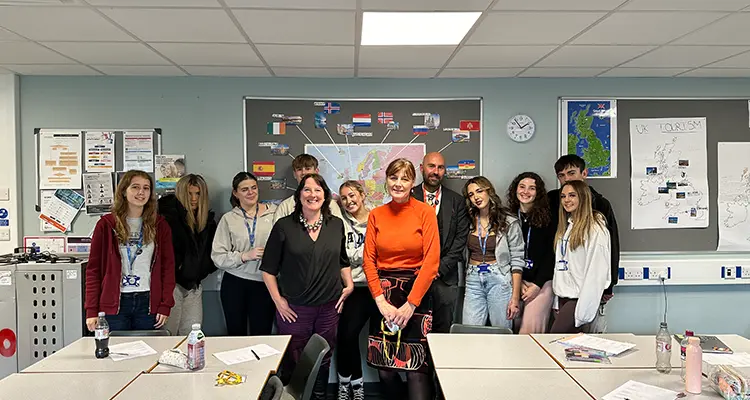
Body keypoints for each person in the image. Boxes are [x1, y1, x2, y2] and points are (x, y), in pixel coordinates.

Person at [260, 174, 354, 400]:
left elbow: (342, 260)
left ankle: (319, 396)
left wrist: (349, 284)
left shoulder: (336, 225)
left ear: (325, 195)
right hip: (295, 309)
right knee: (294, 359)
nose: (313, 195)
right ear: (299, 195)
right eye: (307, 190)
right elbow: (268, 269)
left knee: (323, 358)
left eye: (318, 190)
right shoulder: (284, 226)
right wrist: (278, 301)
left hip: (329, 308)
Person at [363, 159, 439, 400]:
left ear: (412, 183)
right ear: (386, 180)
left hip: (416, 292)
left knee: (417, 369)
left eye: (404, 178)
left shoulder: (425, 212)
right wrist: (381, 302)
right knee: (385, 368)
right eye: (394, 178)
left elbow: (431, 261)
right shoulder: (376, 215)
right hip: (383, 295)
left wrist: (411, 304)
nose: (398, 183)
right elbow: (368, 262)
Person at [85, 170, 175, 332]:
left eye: (146, 188)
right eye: (135, 187)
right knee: (116, 352)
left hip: (148, 301)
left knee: (148, 351)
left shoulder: (160, 226)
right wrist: (91, 310)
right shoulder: (106, 225)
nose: (141, 192)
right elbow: (94, 270)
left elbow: (168, 269)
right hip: (114, 303)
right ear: (123, 192)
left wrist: (165, 304)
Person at [548, 155, 620, 332]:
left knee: (554, 341)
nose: (566, 199)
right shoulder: (567, 222)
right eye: (564, 196)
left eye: (572, 195)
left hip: (581, 299)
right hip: (564, 295)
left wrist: (583, 311)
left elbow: (598, 268)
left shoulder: (596, 225)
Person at [212, 172, 277, 336]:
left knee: (262, 334)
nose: (251, 192)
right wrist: (244, 256)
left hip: (265, 283)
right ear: (235, 193)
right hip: (235, 283)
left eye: (254, 188)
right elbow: (217, 256)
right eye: (245, 189)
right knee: (235, 334)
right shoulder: (228, 219)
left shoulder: (275, 214)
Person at [411, 152, 469, 334]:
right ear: (422, 168)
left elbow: (460, 239)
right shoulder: (408, 197)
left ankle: (439, 364)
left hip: (445, 277)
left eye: (440, 167)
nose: (435, 171)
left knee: (443, 330)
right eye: (431, 166)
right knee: (414, 329)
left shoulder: (456, 201)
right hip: (414, 276)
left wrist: (437, 269)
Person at [158, 174, 217, 336]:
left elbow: (214, 252)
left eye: (198, 194)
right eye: (189, 194)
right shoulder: (166, 218)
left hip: (194, 286)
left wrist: (202, 270)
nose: (193, 199)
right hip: (171, 286)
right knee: (167, 335)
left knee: (192, 335)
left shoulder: (207, 222)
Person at [461, 176, 524, 329]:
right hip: (473, 279)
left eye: (479, 191)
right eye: (471, 195)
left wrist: (515, 298)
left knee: (501, 331)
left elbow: (517, 260)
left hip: (499, 278)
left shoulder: (508, 221)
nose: (476, 197)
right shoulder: (467, 220)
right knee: (469, 332)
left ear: (489, 191)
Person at [335, 180, 375, 400]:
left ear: (362, 195)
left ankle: (358, 385)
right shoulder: (339, 222)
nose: (349, 201)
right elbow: (341, 256)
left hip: (375, 288)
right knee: (346, 337)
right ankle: (350, 385)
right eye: (344, 198)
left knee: (378, 341)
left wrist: (356, 259)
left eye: (352, 195)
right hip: (351, 288)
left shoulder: (377, 219)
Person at [506, 172, 556, 334]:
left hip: (541, 282)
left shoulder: (549, 219)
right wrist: (518, 283)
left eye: (532, 188)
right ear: (515, 190)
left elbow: (552, 255)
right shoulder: (508, 218)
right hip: (515, 280)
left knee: (528, 332)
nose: (526, 191)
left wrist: (537, 285)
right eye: (522, 187)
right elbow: (504, 254)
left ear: (538, 193)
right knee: (511, 328)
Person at [273, 153, 343, 223]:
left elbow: (340, 229)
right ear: (294, 174)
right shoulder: (285, 206)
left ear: (316, 172)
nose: (303, 172)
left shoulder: (330, 204)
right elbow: (278, 232)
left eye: (308, 168)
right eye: (299, 169)